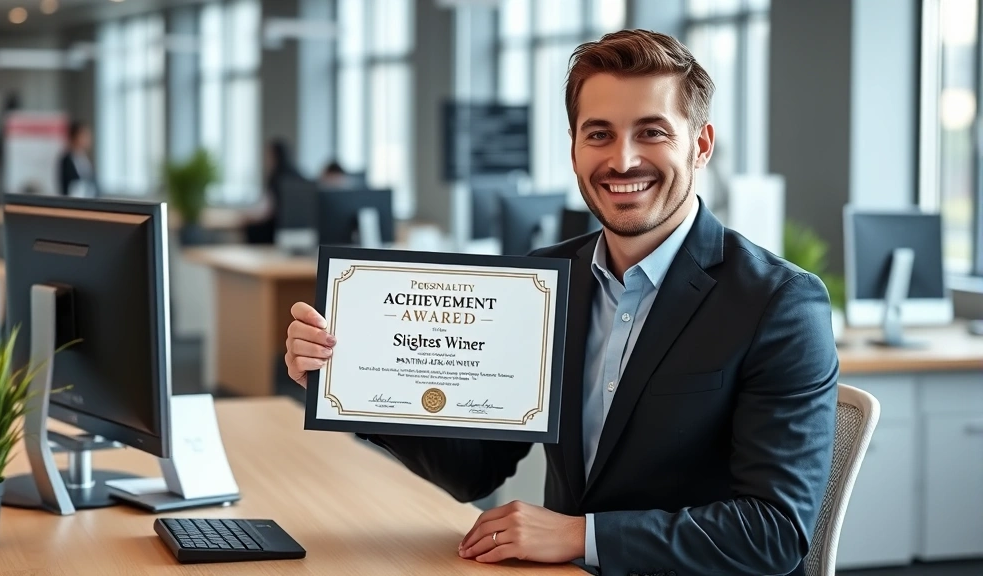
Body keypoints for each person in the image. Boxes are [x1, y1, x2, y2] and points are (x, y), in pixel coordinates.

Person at [285, 29, 838, 576]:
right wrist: (352, 384)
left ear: (700, 145)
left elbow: (774, 531)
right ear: (573, 147)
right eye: (599, 134)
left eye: (651, 132)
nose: (622, 161)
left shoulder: (779, 304)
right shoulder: (546, 281)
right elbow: (476, 471)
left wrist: (579, 534)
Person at [246, 138, 307, 244]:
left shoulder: (276, 178)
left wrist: (247, 216)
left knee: (251, 228)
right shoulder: (299, 175)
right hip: (299, 230)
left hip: (275, 230)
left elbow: (266, 211)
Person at [58, 121, 98, 198]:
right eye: (83, 135)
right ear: (74, 137)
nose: (87, 139)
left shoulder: (86, 159)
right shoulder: (67, 160)